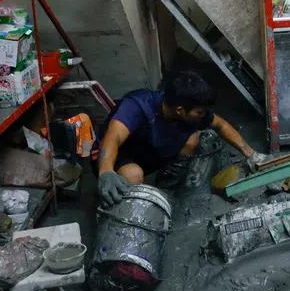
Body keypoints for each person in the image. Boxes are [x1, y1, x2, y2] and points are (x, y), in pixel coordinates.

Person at [96, 68, 266, 207]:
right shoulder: (138, 105)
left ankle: (166, 189)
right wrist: (106, 172)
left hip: (154, 150)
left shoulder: (189, 112)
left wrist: (251, 154)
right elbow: (112, 138)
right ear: (179, 110)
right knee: (133, 175)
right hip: (119, 156)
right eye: (199, 112)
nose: (203, 115)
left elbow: (221, 125)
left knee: (193, 139)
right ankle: (123, 213)